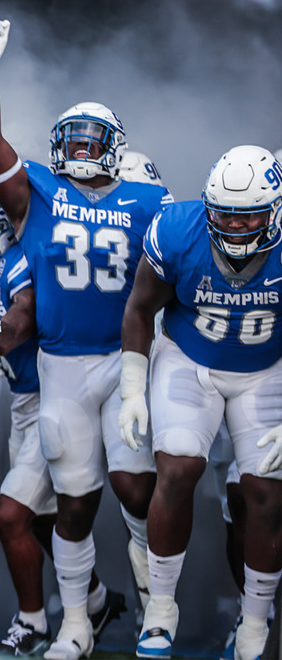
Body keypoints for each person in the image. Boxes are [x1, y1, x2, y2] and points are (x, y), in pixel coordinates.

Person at [0, 18, 173, 659]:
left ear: (115, 146)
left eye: (94, 142)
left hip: (125, 360)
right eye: (73, 141)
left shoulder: (148, 200)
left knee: (135, 485)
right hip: (60, 367)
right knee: (75, 503)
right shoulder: (41, 194)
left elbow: (189, 264)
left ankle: (153, 599)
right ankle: (76, 626)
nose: (82, 151)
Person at [120, 145, 282, 660]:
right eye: (225, 216)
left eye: (250, 215)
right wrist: (131, 388)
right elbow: (141, 308)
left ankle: (255, 618)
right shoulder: (177, 229)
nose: (235, 228)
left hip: (267, 370)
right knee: (178, 469)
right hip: (189, 360)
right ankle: (161, 609)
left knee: (266, 491)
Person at [0, 200, 125, 656]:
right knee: (44, 518)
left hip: (56, 396)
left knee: (11, 515)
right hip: (24, 404)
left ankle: (33, 622)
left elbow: (19, 322)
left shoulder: (20, 262)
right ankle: (96, 599)